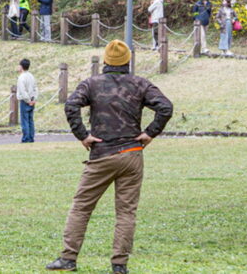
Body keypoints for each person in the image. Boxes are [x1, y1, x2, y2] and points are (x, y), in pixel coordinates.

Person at [47, 40, 173, 273]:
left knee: (81, 207)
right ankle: (119, 265)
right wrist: (149, 133)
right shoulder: (140, 84)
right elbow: (165, 107)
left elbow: (71, 105)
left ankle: (68, 258)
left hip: (102, 155)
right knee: (126, 211)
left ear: (106, 60)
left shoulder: (91, 84)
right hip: (132, 153)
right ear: (128, 61)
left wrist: (83, 135)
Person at [17, 59, 38, 143]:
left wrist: (27, 100)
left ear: (21, 66)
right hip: (32, 100)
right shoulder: (31, 76)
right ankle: (31, 137)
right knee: (30, 120)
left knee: (24, 120)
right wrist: (34, 99)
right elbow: (35, 88)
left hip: (25, 101)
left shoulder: (21, 77)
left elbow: (22, 90)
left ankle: (26, 138)